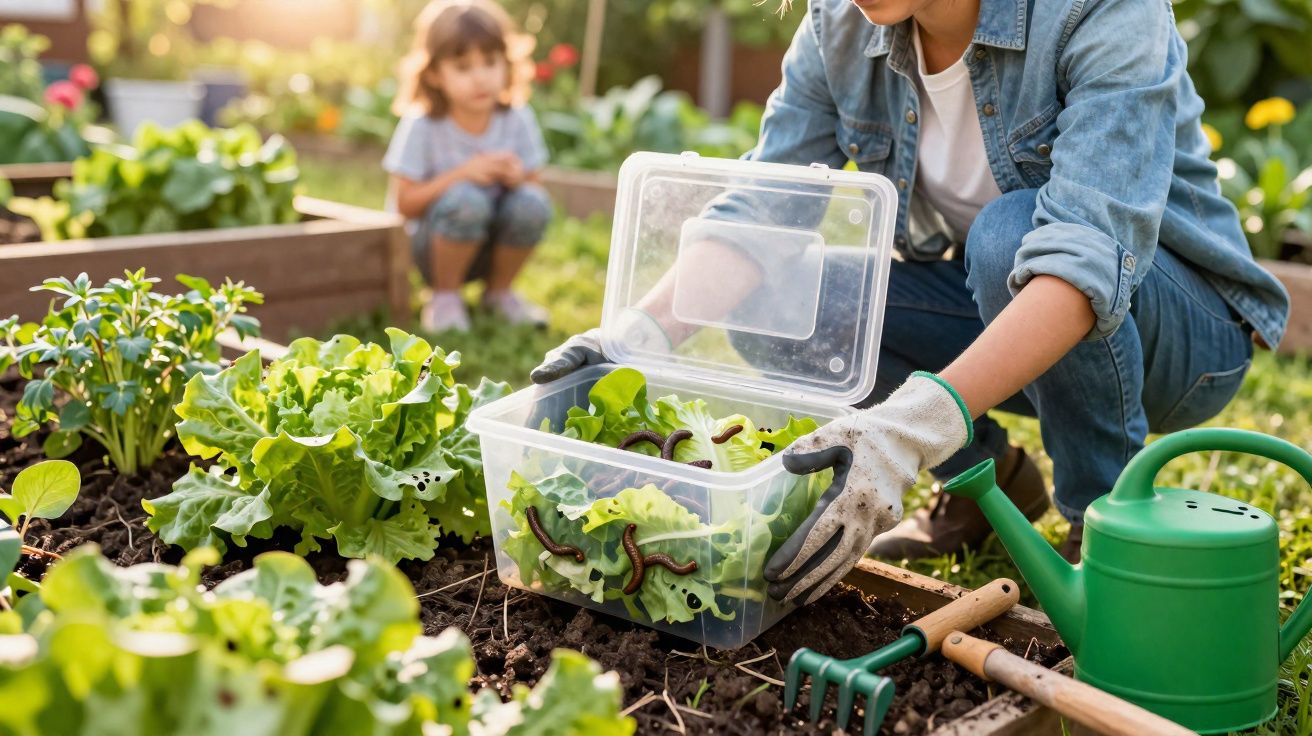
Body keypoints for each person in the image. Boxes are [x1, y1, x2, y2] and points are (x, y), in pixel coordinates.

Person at [531, 0, 1291, 605]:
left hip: (1184, 333)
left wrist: (903, 432)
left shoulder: (1098, 9)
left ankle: (1108, 531)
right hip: (1002, 304)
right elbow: (763, 212)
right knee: (779, 297)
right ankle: (987, 479)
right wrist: (634, 339)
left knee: (1009, 237)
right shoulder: (839, 24)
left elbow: (1083, 256)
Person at [384, 0, 552, 333]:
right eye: (463, 67)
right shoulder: (423, 124)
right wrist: (461, 174)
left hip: (492, 246)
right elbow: (402, 205)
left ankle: (499, 292)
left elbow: (536, 190)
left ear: (507, 62)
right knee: (466, 199)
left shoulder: (516, 118)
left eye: (490, 62)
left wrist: (517, 179)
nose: (480, 78)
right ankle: (444, 297)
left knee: (533, 204)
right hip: (432, 249)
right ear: (434, 73)